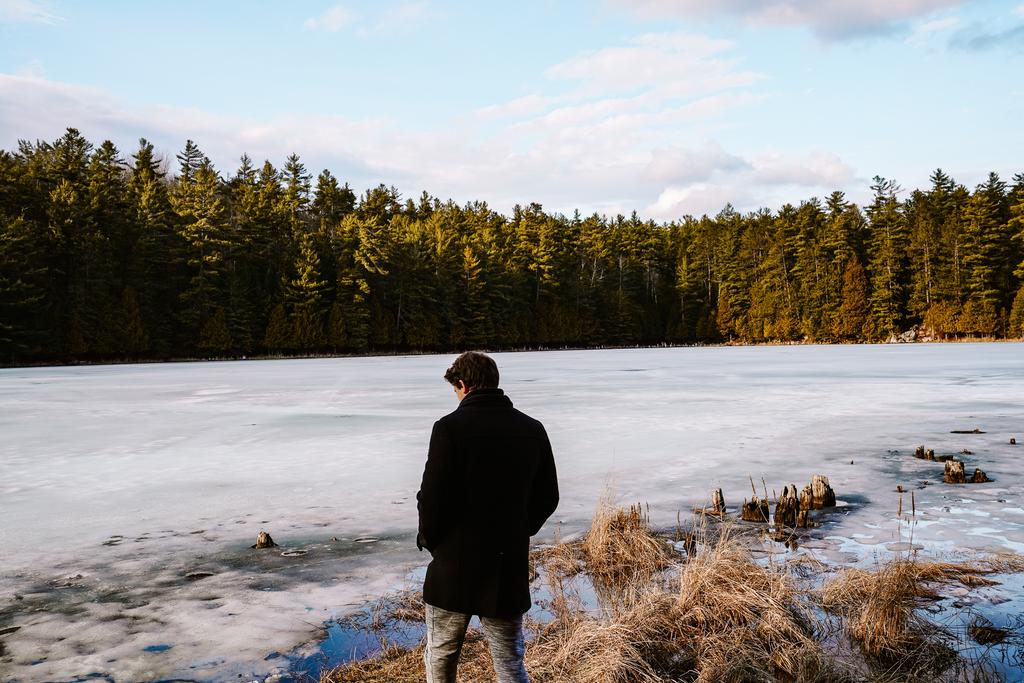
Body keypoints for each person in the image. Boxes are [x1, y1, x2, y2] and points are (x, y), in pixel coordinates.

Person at [416, 351, 559, 683]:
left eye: (455, 390)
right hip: (505, 566)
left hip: (453, 567)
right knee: (509, 663)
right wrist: (519, 530)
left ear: (463, 385)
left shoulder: (449, 429)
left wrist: (433, 541)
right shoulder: (532, 429)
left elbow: (432, 499)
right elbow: (548, 497)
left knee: (441, 657)